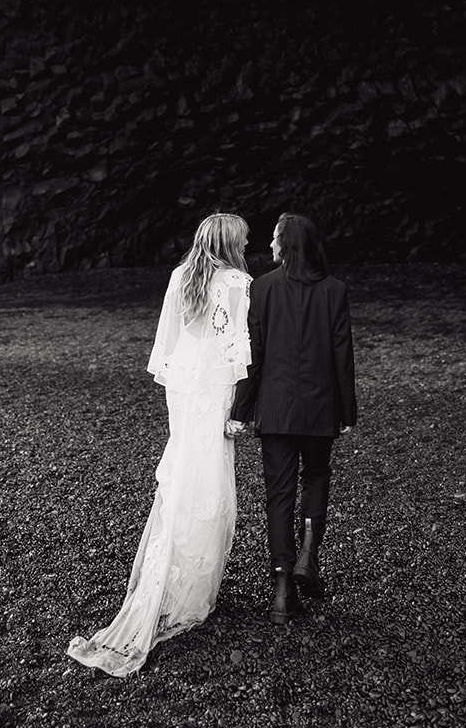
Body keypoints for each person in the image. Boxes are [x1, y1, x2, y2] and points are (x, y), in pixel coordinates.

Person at [67, 212, 251, 676]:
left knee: (184, 473)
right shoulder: (237, 281)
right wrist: (239, 406)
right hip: (213, 388)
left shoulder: (180, 275)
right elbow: (239, 347)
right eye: (244, 237)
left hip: (184, 389)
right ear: (230, 241)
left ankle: (170, 581)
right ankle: (190, 592)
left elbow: (167, 345)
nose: (249, 242)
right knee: (209, 482)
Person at [229, 212, 357, 624]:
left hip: (277, 409)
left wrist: (241, 411)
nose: (269, 246)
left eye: (274, 239)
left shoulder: (263, 288)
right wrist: (347, 411)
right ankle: (307, 553)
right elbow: (343, 353)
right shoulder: (335, 290)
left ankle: (282, 592)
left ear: (287, 245)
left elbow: (255, 356)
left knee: (278, 495)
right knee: (317, 475)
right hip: (320, 408)